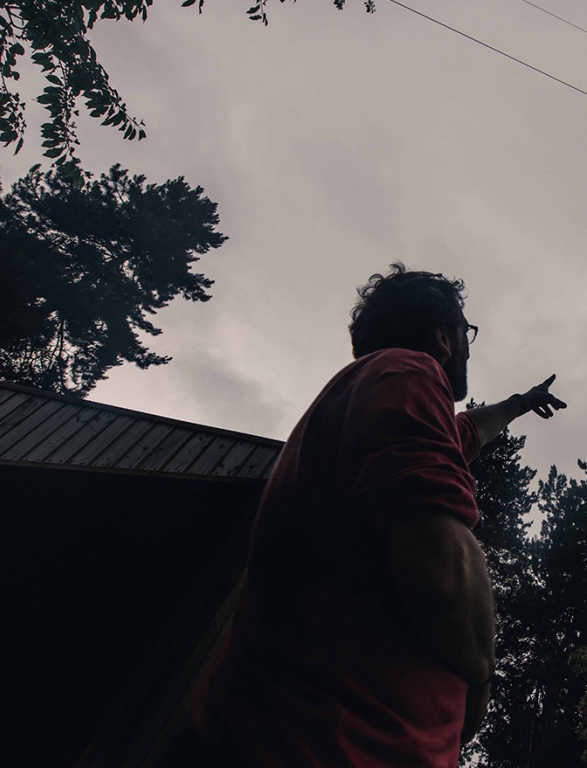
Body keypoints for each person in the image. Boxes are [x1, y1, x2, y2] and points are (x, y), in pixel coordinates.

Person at [164, 264, 566, 767]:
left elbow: (469, 433)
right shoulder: (407, 373)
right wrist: (480, 676)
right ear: (442, 335)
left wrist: (522, 403)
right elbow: (441, 574)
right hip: (330, 748)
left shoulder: (375, 396)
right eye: (467, 332)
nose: (468, 346)